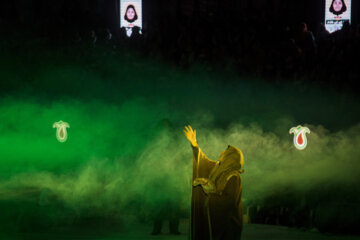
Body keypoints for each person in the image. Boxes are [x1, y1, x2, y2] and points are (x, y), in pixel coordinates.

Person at [184, 125, 244, 240]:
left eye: (225, 152)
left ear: (230, 158)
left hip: (226, 227)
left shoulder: (233, 176)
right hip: (214, 223)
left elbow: (229, 202)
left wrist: (210, 194)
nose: (221, 152)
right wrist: (195, 144)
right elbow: (203, 162)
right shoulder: (217, 168)